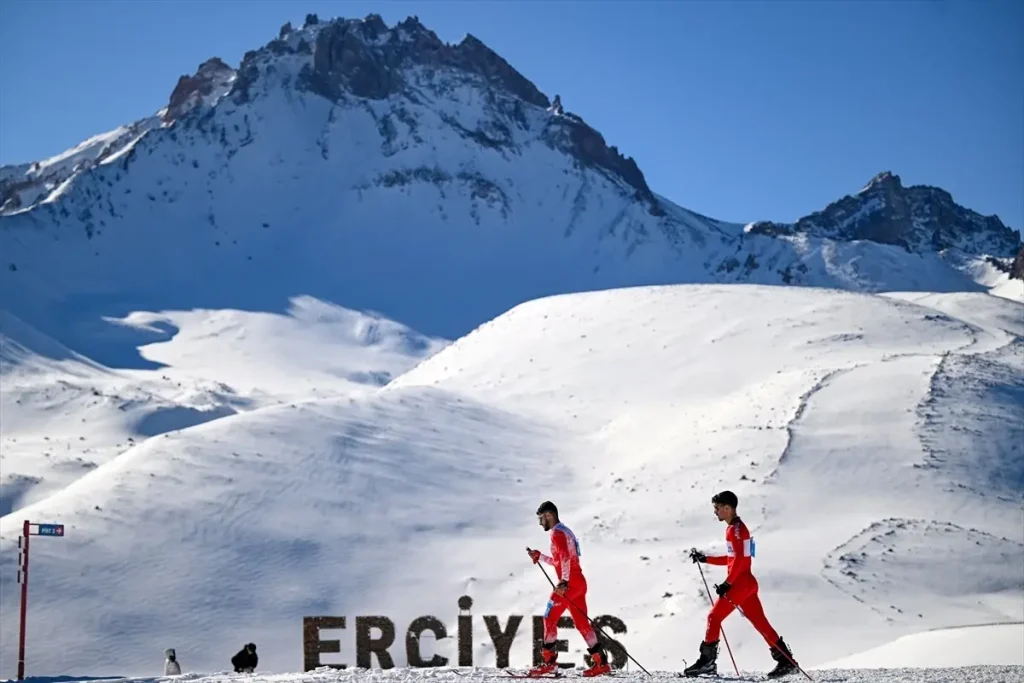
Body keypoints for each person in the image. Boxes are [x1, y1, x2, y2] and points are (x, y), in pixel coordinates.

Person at [684, 490, 798, 678]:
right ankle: (787, 662)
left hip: (740, 584)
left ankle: (707, 663)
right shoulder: (736, 528)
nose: (715, 511)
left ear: (727, 508)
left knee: (714, 617)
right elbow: (733, 558)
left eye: (717, 508)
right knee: (760, 623)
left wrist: (728, 583)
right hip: (747, 583)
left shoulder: (735, 530)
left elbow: (737, 560)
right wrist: (706, 559)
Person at [526, 501, 611, 678]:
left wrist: (564, 581)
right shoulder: (566, 531)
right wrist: (540, 557)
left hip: (569, 585)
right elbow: (560, 560)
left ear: (549, 515)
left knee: (549, 617)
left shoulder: (557, 533)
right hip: (579, 583)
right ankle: (601, 663)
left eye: (541, 518)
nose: (540, 523)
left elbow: (564, 557)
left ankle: (549, 664)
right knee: (582, 623)